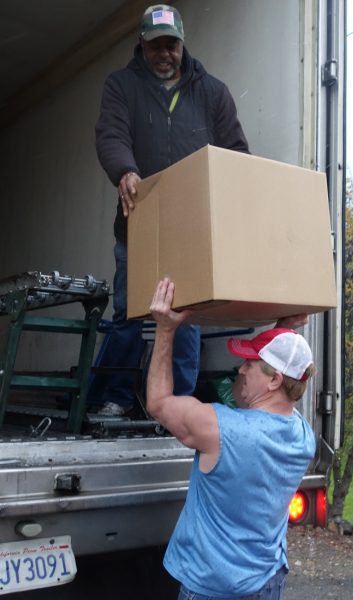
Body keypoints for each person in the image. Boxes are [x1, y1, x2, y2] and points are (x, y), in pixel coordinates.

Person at [93, 4, 250, 416]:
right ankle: (116, 398)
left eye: (172, 45)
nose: (164, 54)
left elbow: (235, 153)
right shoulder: (121, 85)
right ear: (142, 46)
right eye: (155, 46)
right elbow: (111, 133)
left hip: (191, 231)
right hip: (138, 224)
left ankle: (179, 403)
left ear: (183, 45)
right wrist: (124, 170)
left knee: (187, 317)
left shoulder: (213, 92)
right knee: (128, 312)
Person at [146, 277, 316, 599]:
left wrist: (165, 329)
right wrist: (281, 333)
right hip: (266, 583)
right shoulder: (303, 435)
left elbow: (158, 403)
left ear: (274, 380)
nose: (239, 369)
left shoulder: (221, 430)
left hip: (214, 589)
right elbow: (281, 385)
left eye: (249, 363)